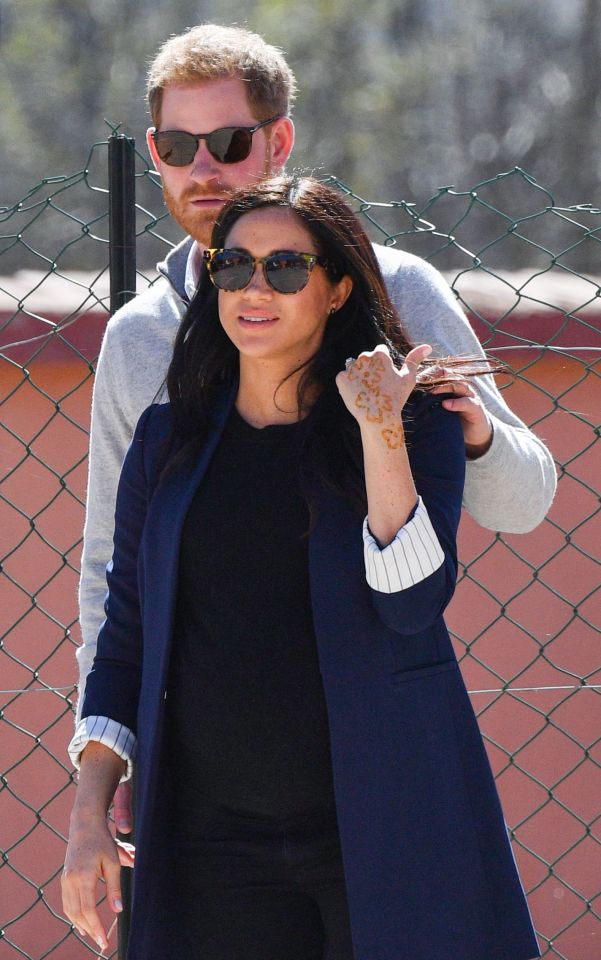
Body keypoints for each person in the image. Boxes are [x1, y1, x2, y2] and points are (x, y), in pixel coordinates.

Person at [75, 24, 556, 841]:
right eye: (176, 145)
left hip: (369, 755)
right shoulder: (138, 337)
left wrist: (473, 432)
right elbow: (111, 574)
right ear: (151, 153)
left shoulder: (393, 288)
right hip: (204, 771)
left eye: (227, 141)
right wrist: (110, 758)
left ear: (280, 141)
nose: (202, 169)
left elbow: (523, 503)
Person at [63, 176, 540, 960]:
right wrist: (89, 818)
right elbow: (125, 638)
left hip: (383, 834)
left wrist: (378, 429)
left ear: (336, 288)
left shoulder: (415, 421)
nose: (255, 288)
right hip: (208, 846)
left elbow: (412, 602)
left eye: (285, 268)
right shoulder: (164, 441)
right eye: (233, 267)